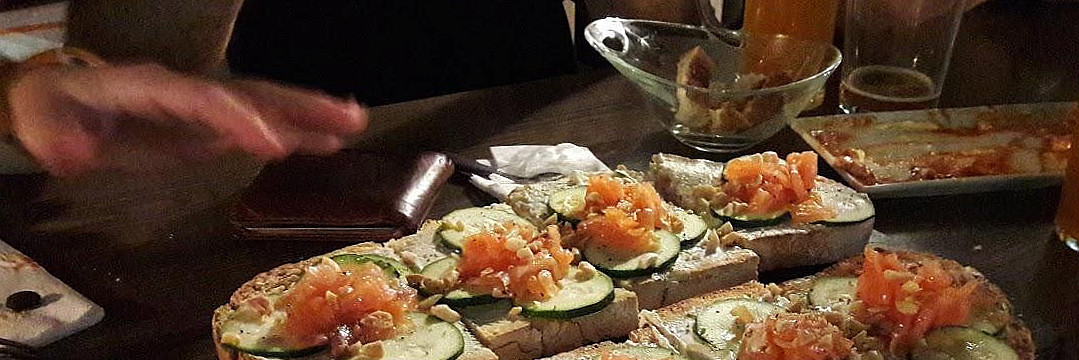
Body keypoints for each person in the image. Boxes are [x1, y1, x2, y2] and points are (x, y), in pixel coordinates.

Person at [0, 0, 697, 177]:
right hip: (292, 160)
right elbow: (137, 60)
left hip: (534, 136)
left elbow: (657, 38)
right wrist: (46, 87)